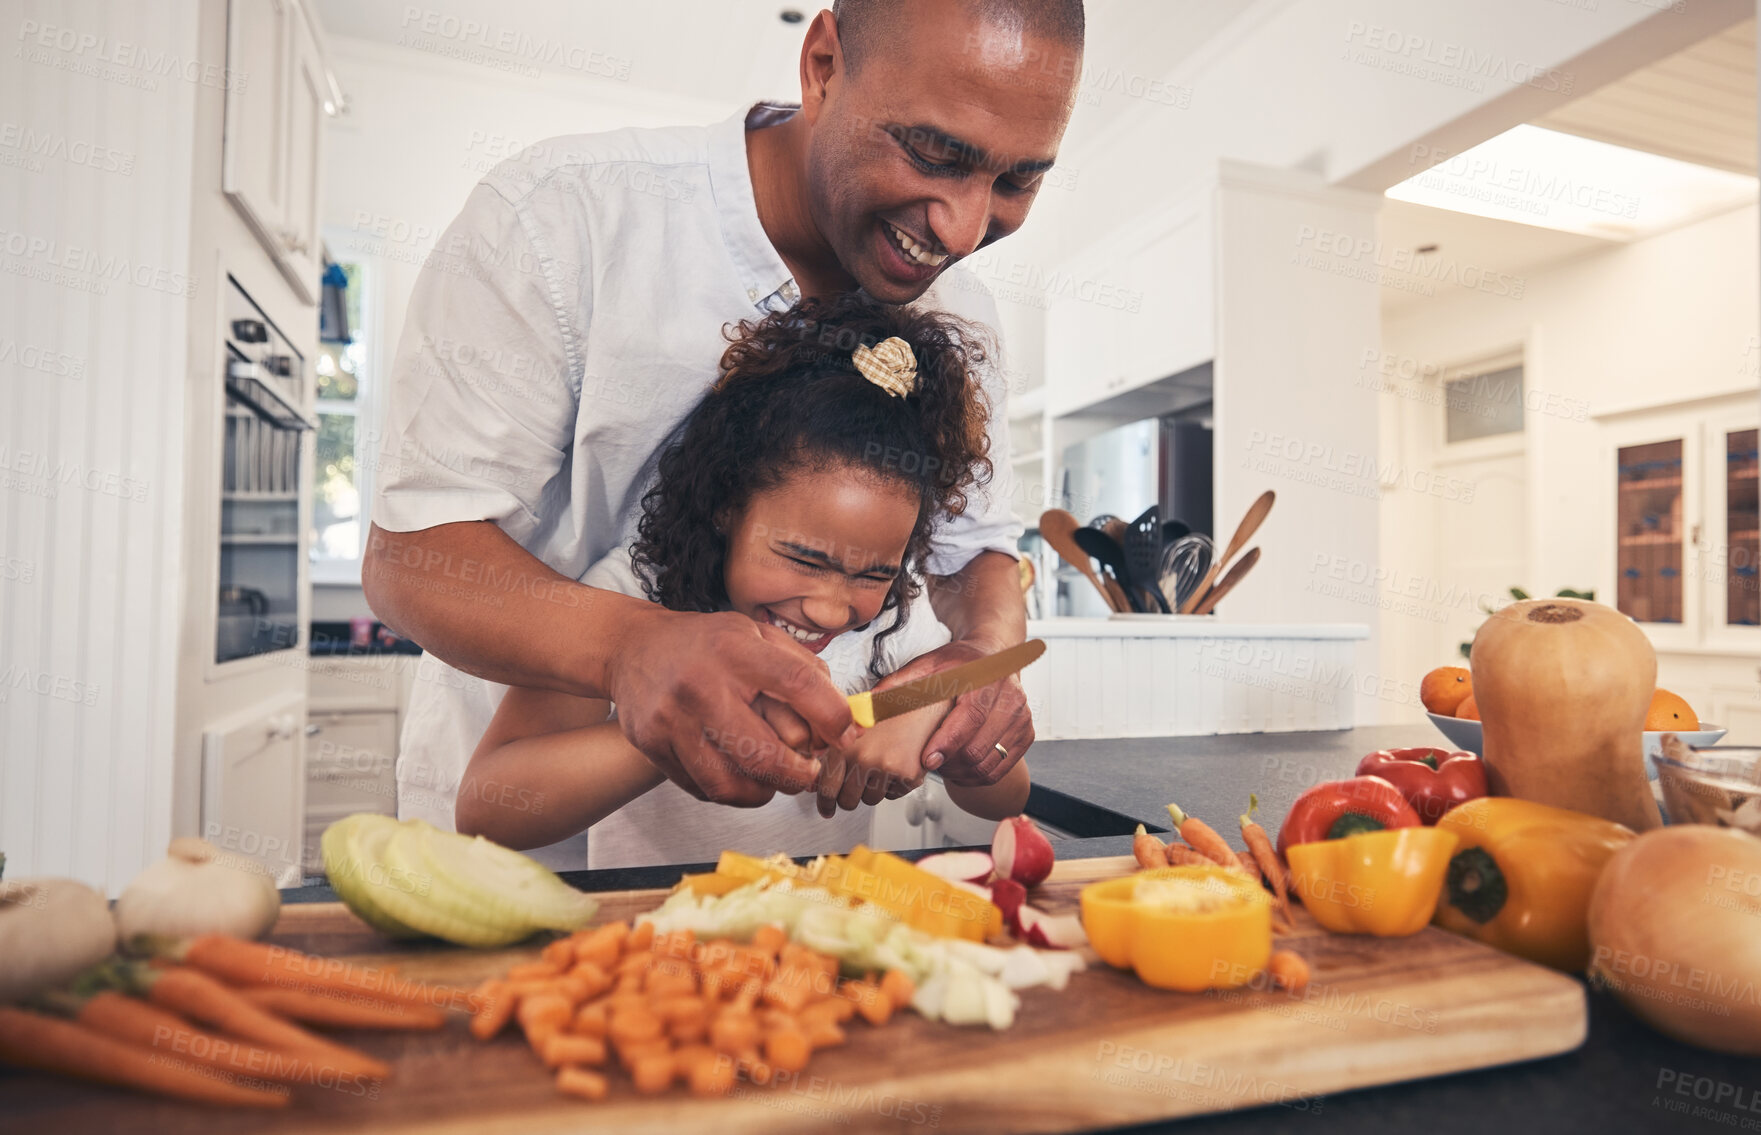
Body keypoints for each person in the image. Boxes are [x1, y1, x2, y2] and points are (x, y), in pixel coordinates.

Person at [366, 0, 1085, 863]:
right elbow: (414, 557)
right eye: (934, 153)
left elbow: (975, 555)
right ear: (822, 64)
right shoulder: (561, 218)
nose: (963, 230)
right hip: (513, 854)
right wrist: (636, 650)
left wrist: (976, 673)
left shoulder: (962, 318)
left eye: (1017, 181)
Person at [455, 295, 1030, 862]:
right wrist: (684, 717)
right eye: (805, 560)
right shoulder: (633, 597)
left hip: (816, 937)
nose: (833, 611)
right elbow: (488, 809)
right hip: (652, 939)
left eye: (873, 573)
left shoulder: (894, 627)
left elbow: (1009, 795)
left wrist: (933, 718)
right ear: (727, 505)